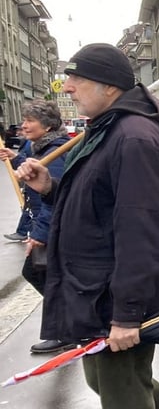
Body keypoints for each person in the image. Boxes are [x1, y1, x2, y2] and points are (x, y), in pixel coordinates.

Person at [16, 43, 159, 409]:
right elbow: (98, 203)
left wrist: (127, 314)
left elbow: (142, 231)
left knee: (122, 393)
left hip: (114, 296)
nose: (67, 87)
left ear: (109, 86)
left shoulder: (134, 138)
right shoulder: (108, 129)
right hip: (95, 294)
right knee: (104, 380)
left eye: (77, 78)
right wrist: (49, 187)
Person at [0, 101, 72, 353]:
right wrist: (17, 157)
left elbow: (55, 198)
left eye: (30, 120)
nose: (24, 125)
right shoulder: (45, 147)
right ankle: (70, 324)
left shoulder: (55, 151)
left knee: (41, 274)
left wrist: (39, 235)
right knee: (49, 277)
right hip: (49, 227)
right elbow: (34, 169)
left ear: (48, 125)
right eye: (24, 119)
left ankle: (68, 328)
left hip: (55, 229)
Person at [3, 137, 33, 242]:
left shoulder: (52, 147)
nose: (24, 126)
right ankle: (22, 232)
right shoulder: (30, 142)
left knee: (32, 209)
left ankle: (24, 232)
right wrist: (15, 158)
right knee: (28, 208)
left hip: (36, 187)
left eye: (30, 120)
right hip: (30, 184)